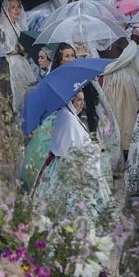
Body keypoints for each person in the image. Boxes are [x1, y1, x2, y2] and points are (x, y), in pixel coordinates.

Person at [33, 89, 112, 230]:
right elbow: (76, 149)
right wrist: (96, 148)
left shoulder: (68, 114)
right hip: (70, 166)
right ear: (70, 100)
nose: (81, 104)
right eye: (78, 100)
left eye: (82, 100)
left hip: (63, 164)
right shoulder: (68, 118)